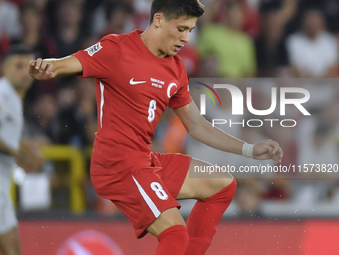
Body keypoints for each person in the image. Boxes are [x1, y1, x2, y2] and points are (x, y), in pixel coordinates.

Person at [27, 1, 283, 254]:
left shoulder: (176, 68)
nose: (186, 38)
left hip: (144, 161)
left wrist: (249, 149)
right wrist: (47, 67)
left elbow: (197, 126)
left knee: (223, 184)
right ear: (158, 20)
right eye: (181, 28)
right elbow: (68, 62)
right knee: (174, 234)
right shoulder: (117, 48)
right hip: (117, 164)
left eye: (191, 31)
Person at [0, 45, 34, 255]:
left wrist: (23, 146)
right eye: (18, 66)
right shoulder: (2, 93)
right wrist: (19, 155)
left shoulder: (13, 96)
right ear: (5, 68)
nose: (24, 72)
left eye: (28, 66)